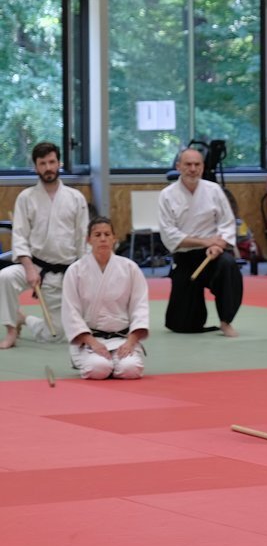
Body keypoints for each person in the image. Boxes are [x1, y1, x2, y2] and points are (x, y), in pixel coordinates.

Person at [0, 141, 89, 349]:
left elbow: (82, 239)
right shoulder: (26, 198)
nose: (48, 168)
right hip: (35, 266)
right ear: (35, 166)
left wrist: (81, 273)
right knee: (5, 277)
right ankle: (11, 329)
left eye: (51, 162)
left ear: (59, 163)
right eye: (42, 163)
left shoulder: (76, 198)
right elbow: (20, 237)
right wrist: (29, 269)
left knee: (56, 334)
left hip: (64, 271)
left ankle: (24, 319)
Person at [157, 147, 243, 336]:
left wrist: (219, 244)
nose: (193, 169)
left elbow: (226, 222)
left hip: (212, 255)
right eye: (188, 164)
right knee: (182, 325)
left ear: (203, 167)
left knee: (228, 266)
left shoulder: (214, 190)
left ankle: (225, 321)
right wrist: (205, 242)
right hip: (185, 255)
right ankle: (188, 318)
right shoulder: (167, 195)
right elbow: (169, 234)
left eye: (197, 164)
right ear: (179, 167)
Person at [60, 216, 150, 379]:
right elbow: (70, 311)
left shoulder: (130, 268)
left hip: (122, 338)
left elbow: (140, 307)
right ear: (88, 240)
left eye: (107, 234)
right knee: (98, 369)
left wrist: (131, 341)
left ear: (114, 238)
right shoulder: (76, 271)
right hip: (90, 340)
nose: (103, 239)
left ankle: (116, 362)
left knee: (130, 370)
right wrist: (91, 342)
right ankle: (94, 359)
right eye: (97, 234)